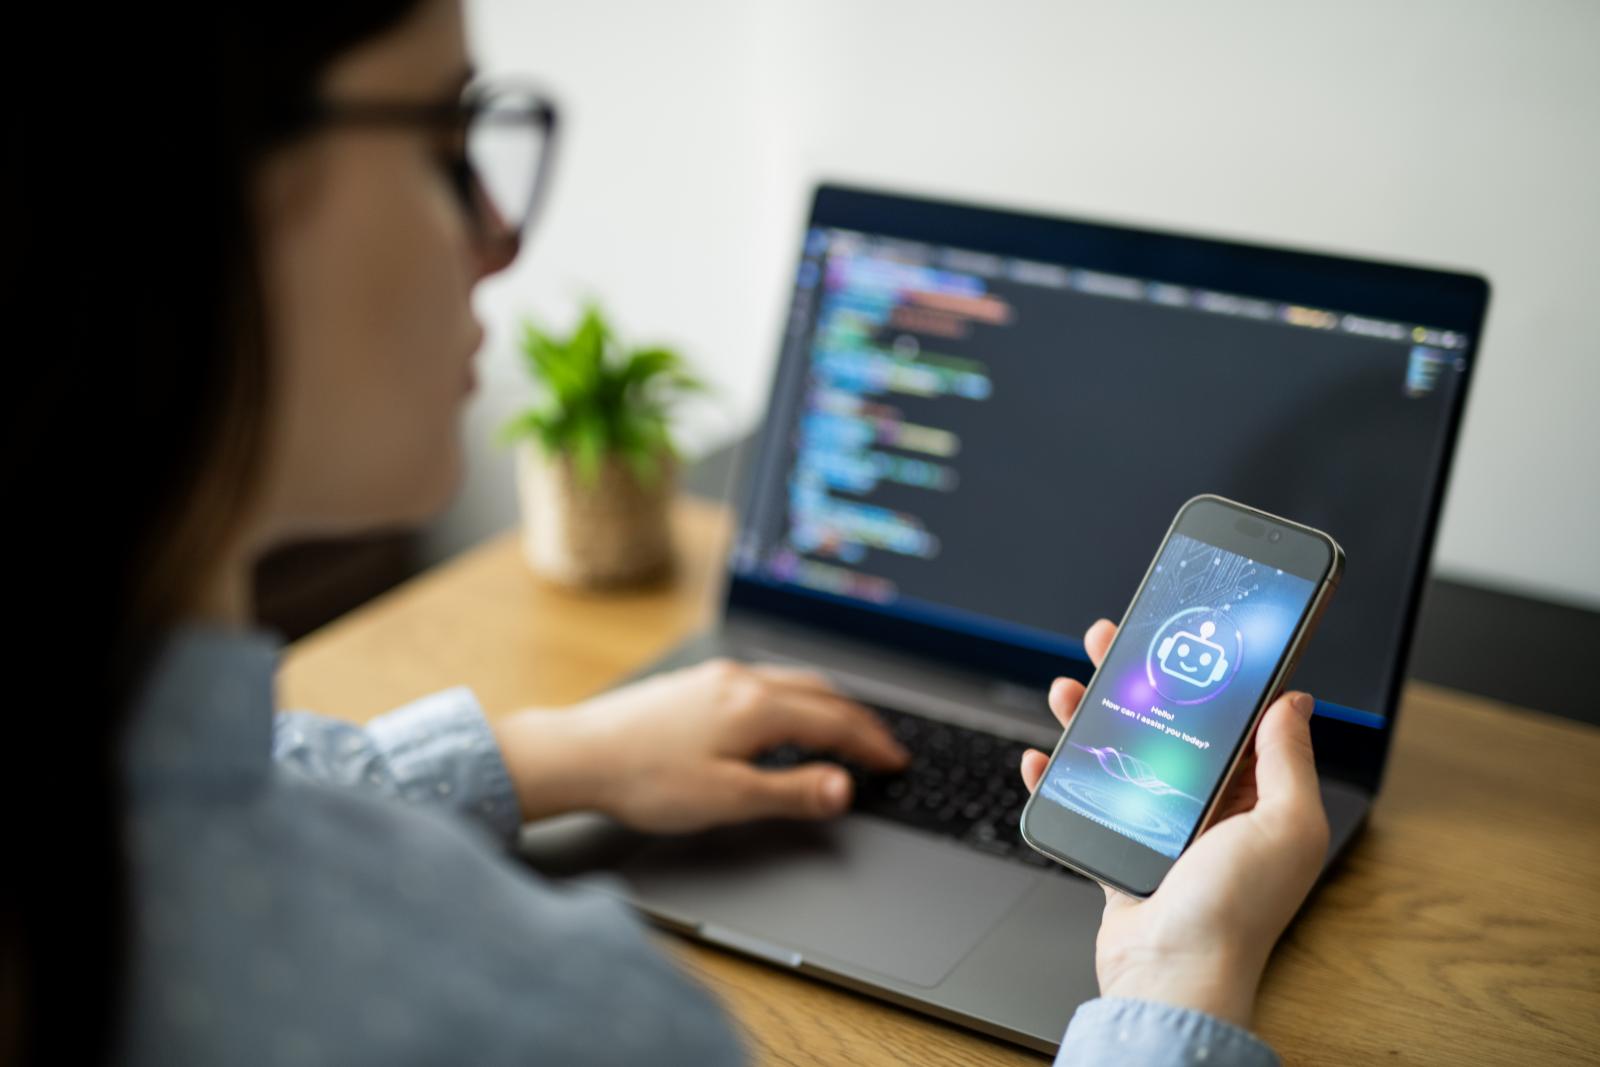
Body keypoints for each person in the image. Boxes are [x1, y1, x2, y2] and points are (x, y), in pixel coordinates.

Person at [2, 1, 1331, 1064]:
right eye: (444, 140)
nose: (500, 233)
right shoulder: (547, 1015)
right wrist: (1175, 985)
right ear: (195, 183)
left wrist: (546, 754)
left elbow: (215, 785)